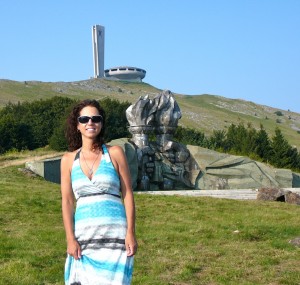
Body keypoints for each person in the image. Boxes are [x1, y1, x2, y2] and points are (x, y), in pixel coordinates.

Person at [61, 99, 137, 285]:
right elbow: (67, 202)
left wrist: (131, 233)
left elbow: (127, 195)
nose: (90, 123)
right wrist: (70, 238)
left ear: (101, 124)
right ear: (77, 125)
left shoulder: (115, 153)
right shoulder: (68, 160)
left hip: (115, 236)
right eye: (84, 119)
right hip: (84, 237)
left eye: (96, 118)